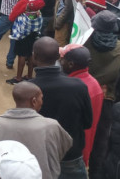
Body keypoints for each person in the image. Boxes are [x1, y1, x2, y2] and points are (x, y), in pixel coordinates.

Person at [84, 10, 120, 178]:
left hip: (83, 97)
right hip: (108, 102)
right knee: (101, 142)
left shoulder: (83, 42)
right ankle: (95, 174)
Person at [30, 37, 93, 178]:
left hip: (40, 155)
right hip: (70, 155)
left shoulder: (29, 89)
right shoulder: (79, 86)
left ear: (34, 57)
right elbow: (88, 122)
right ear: (58, 57)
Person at [0, 81, 72, 179]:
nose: (42, 102)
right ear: (33, 101)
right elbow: (64, 147)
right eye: (41, 98)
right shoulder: (51, 126)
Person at [59, 44, 103, 165]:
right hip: (82, 149)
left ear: (71, 64)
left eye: (63, 59)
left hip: (70, 153)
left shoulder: (72, 89)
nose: (60, 62)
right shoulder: (94, 85)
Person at [6, 0, 44, 84]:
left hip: (23, 33)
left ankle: (18, 78)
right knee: (30, 54)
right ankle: (29, 76)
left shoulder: (23, 2)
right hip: (34, 33)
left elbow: (11, 17)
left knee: (21, 55)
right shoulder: (34, 1)